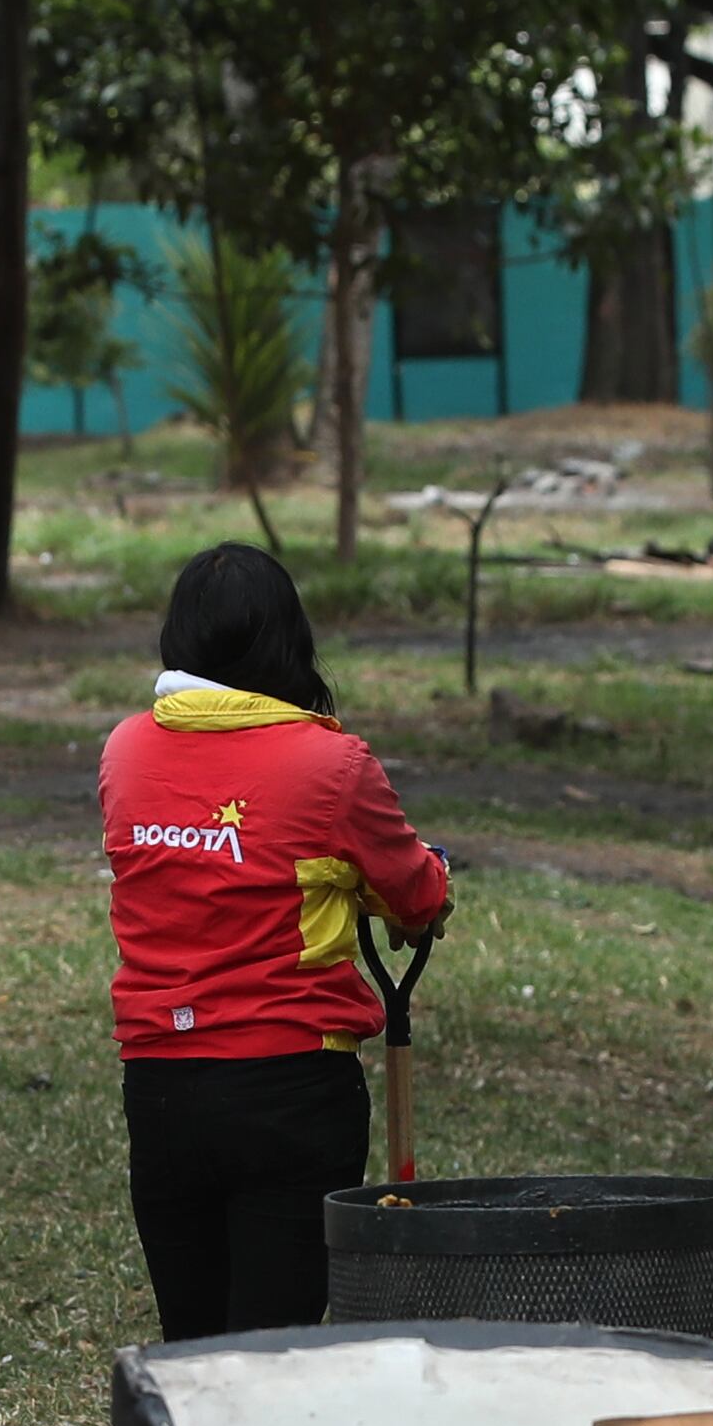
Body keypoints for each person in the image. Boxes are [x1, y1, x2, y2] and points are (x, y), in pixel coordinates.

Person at [99, 546, 451, 1341]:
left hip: (159, 1087)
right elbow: (417, 895)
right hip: (291, 1087)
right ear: (290, 640)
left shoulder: (125, 750)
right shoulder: (333, 763)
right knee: (274, 1347)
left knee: (192, 1345)